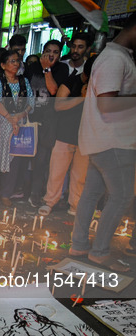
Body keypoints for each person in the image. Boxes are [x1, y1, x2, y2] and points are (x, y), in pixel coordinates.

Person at [70, 13, 136, 270]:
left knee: (92, 193)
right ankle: (99, 252)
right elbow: (107, 104)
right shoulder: (115, 59)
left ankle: (79, 245)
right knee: (121, 196)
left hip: (102, 139)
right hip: (113, 140)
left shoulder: (116, 57)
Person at [38, 56, 95, 217]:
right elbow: (59, 105)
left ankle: (75, 204)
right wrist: (81, 99)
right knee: (57, 171)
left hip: (86, 136)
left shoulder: (98, 86)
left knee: (80, 174)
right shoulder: (71, 82)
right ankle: (50, 201)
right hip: (65, 134)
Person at [0, 50, 34, 205]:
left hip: (18, 122)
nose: (16, 64)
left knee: (14, 159)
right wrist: (9, 118)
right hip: (1, 122)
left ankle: (6, 193)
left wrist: (20, 115)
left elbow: (31, 102)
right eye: (12, 61)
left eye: (17, 61)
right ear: (3, 65)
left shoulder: (24, 81)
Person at [25, 40, 68, 206]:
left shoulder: (61, 69)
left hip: (49, 121)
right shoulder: (32, 68)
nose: (51, 55)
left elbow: (53, 90)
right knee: (26, 157)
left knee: (42, 159)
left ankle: (36, 193)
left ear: (60, 54)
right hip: (30, 118)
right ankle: (23, 190)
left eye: (55, 52)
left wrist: (47, 69)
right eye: (48, 51)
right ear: (42, 51)